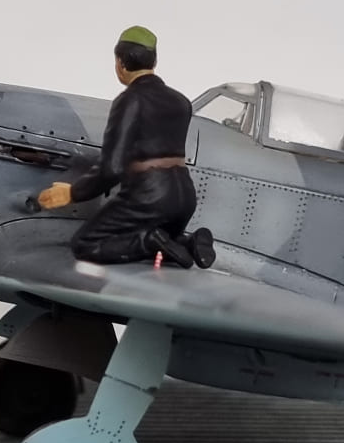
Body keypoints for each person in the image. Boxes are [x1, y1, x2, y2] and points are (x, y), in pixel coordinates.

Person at [38, 25, 215, 269]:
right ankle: (187, 241)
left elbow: (112, 167)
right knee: (162, 236)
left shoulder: (129, 100)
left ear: (120, 63)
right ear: (154, 61)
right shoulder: (181, 102)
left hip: (150, 195)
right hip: (184, 197)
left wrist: (73, 193)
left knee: (86, 244)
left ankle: (150, 243)